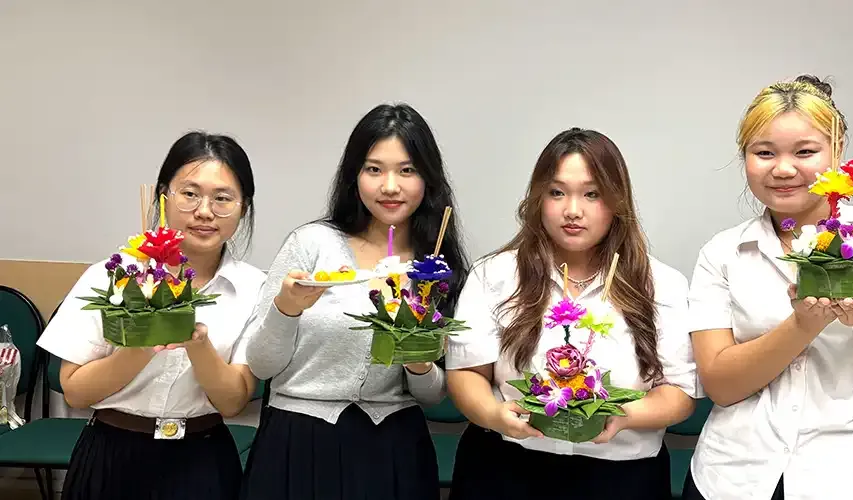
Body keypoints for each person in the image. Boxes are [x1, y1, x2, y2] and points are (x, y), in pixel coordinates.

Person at [683, 75, 853, 499]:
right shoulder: (724, 252)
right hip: (733, 477)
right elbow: (721, 386)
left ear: (838, 152)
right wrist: (803, 324)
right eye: (764, 152)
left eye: (805, 152)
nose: (783, 169)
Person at [445, 128, 698, 499]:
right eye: (557, 192)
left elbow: (678, 393)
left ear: (617, 201)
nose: (573, 210)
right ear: (538, 198)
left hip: (621, 478)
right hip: (505, 468)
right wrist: (492, 414)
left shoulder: (663, 284)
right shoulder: (494, 275)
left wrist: (623, 416)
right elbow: (467, 371)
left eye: (592, 194)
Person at [238, 103, 471, 500]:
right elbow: (261, 364)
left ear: (428, 178)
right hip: (299, 438)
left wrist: (415, 358)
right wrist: (286, 309)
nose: (390, 186)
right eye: (374, 169)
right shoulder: (311, 244)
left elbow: (432, 395)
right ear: (354, 175)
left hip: (392, 445)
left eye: (407, 170)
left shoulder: (435, 266)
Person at [37, 131, 264, 500]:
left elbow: (232, 402)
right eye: (190, 194)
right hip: (111, 454)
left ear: (243, 207)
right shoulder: (111, 275)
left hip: (203, 458)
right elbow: (75, 391)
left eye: (223, 198)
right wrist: (143, 343)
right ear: (163, 196)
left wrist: (197, 341)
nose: (205, 212)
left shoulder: (253, 289)